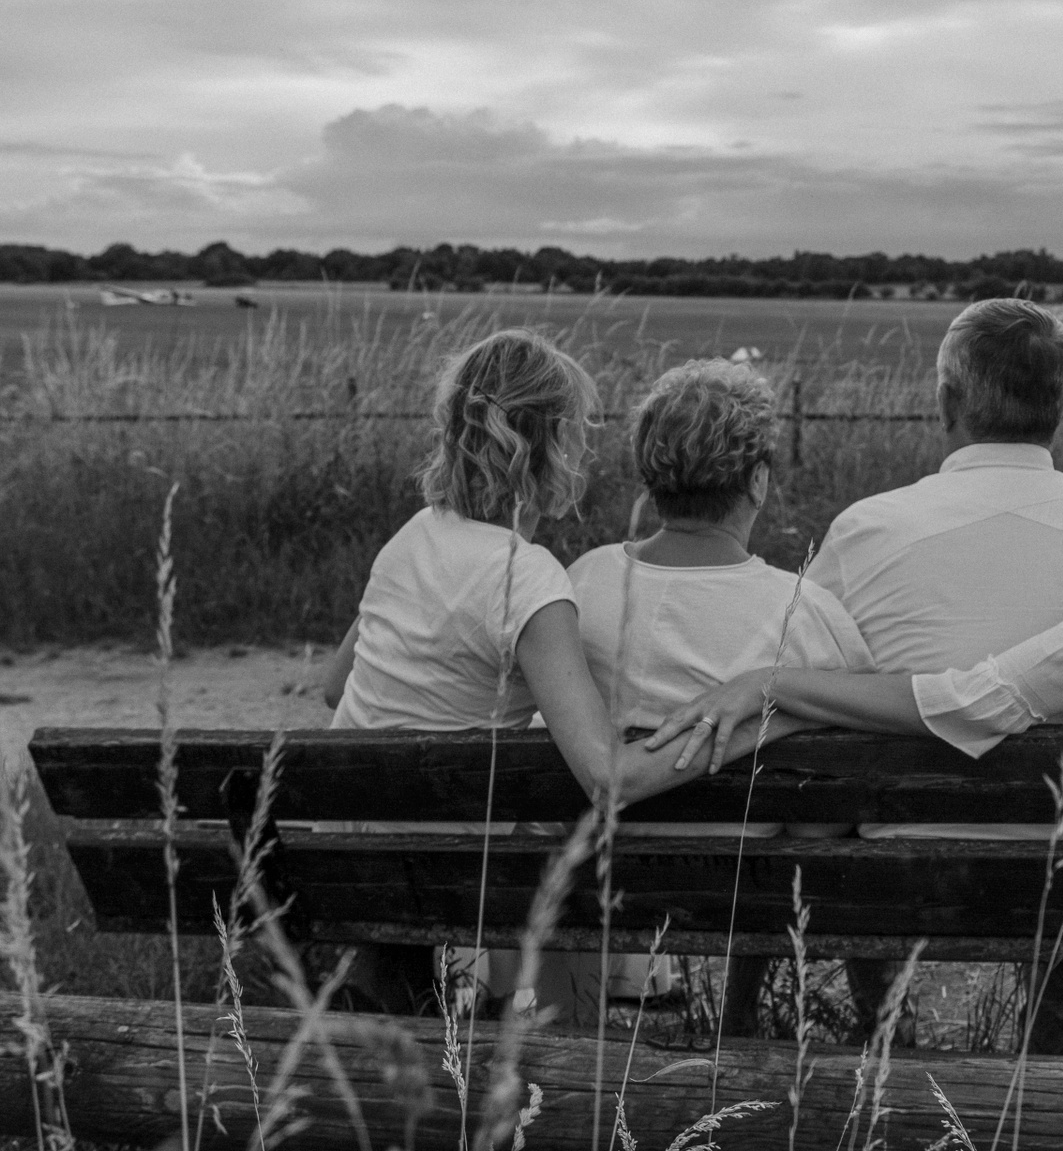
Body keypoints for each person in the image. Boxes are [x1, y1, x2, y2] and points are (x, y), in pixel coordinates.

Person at [320, 329, 811, 1013]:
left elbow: (335, 687)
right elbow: (608, 779)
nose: (584, 451)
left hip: (342, 844)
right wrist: (768, 717)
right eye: (578, 432)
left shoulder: (413, 534)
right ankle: (590, 1012)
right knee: (573, 840)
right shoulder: (529, 580)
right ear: (548, 443)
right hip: (436, 866)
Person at [799, 297, 1063, 1052]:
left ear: (946, 401)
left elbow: (818, 677)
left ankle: (885, 1035)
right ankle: (1047, 1034)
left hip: (897, 855)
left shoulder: (866, 528)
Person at [567, 358, 872, 1033]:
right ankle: (746, 1016)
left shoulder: (582, 584)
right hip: (750, 888)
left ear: (649, 475)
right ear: (757, 481)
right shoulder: (806, 612)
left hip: (599, 879)